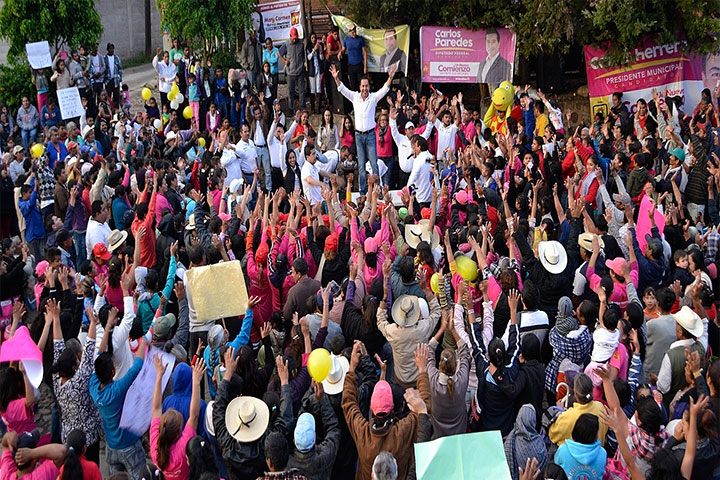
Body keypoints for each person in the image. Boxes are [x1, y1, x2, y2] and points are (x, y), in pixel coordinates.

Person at [330, 61, 397, 194]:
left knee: (374, 163)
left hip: (371, 134)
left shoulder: (373, 98)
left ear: (369, 87)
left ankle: (377, 190)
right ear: (360, 87)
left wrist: (390, 77)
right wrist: (336, 78)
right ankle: (362, 192)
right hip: (359, 135)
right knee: (361, 166)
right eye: (363, 86)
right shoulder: (355, 97)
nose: (365, 88)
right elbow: (342, 89)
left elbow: (384, 89)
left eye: (366, 86)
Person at [90, 337, 148, 478]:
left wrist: (107, 328)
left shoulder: (93, 387)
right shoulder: (117, 390)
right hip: (129, 445)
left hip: (111, 446)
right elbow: (137, 366)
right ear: (113, 371)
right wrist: (145, 340)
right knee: (139, 475)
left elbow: (98, 357)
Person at [281, 28, 307, 114]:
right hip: (290, 72)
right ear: (290, 36)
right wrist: (285, 61)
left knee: (302, 91)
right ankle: (290, 109)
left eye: (296, 37)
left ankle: (302, 108)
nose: (295, 40)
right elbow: (279, 53)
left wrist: (304, 63)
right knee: (291, 92)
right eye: (293, 38)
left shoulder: (301, 43)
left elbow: (303, 55)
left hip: (300, 70)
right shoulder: (286, 44)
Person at [342, 24, 367, 91]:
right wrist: (340, 52)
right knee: (353, 85)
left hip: (359, 64)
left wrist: (365, 66)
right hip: (351, 65)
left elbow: (364, 52)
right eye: (353, 32)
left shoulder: (360, 39)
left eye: (355, 32)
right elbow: (343, 49)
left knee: (361, 84)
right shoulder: (346, 39)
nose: (354, 34)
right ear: (349, 32)